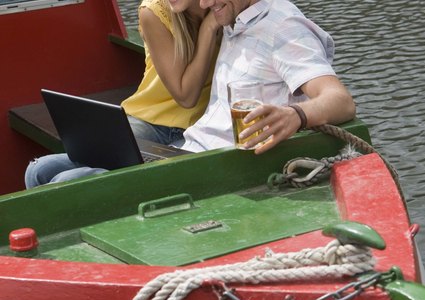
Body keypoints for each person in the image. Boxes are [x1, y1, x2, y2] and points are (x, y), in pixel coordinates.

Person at [25, 0, 220, 188]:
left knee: (66, 181)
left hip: (196, 128)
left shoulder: (226, 8)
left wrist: (210, 25)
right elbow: (185, 95)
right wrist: (208, 30)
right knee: (38, 170)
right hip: (149, 121)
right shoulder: (155, 11)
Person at [177, 0, 356, 154]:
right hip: (191, 150)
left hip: (225, 163)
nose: (204, 4)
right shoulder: (235, 16)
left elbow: (341, 101)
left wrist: (296, 114)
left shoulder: (284, 27)